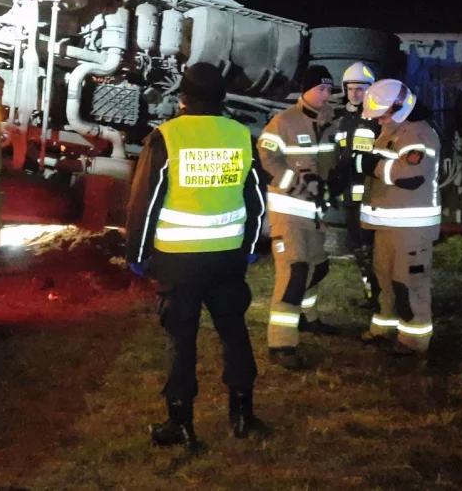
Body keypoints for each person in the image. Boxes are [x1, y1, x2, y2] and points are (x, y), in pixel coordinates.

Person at [125, 62, 268, 449]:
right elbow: (256, 199)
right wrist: (250, 247)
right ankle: (242, 414)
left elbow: (146, 203)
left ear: (182, 97)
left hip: (178, 261)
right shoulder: (241, 135)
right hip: (226, 259)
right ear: (221, 98)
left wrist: (137, 253)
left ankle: (181, 422)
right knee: (234, 333)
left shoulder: (167, 137)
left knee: (181, 340)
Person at [259, 65, 338, 370]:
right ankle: (281, 343)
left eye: (329, 90)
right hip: (288, 210)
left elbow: (330, 162)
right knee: (294, 272)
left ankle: (306, 317)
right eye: (321, 88)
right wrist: (296, 182)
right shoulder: (284, 122)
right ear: (305, 90)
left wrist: (332, 183)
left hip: (316, 211)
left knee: (318, 267)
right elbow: (267, 157)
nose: (326, 94)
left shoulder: (330, 122)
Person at [356, 79, 442, 355]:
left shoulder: (420, 135)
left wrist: (369, 164)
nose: (379, 121)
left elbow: (411, 175)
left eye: (382, 115)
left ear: (399, 108)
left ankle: (414, 340)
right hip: (387, 225)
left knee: (409, 284)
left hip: (411, 228)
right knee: (384, 279)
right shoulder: (392, 131)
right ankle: (384, 327)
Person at [329, 62, 381, 308]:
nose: (355, 94)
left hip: (372, 197)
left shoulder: (378, 120)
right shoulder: (344, 120)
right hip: (350, 198)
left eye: (361, 89)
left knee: (373, 250)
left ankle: (381, 296)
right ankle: (372, 294)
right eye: (351, 89)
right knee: (359, 249)